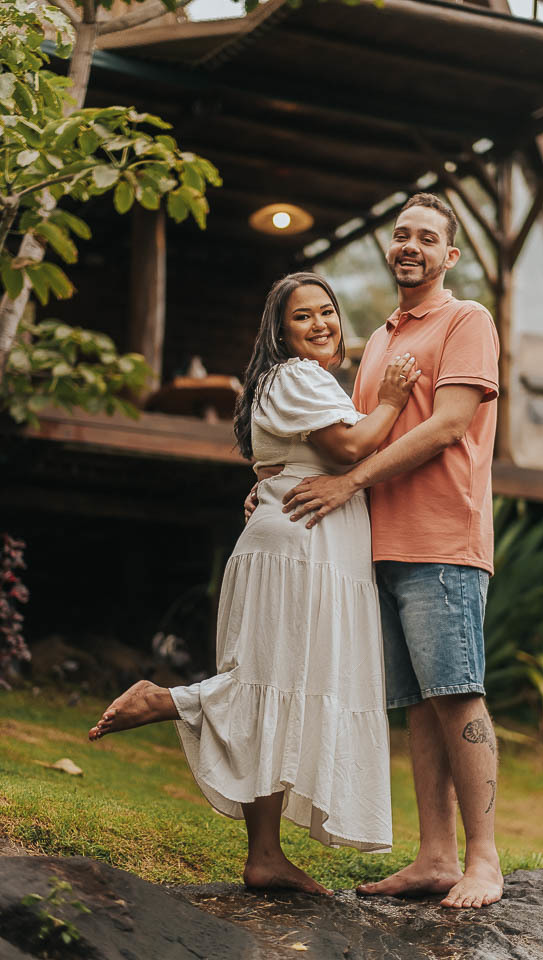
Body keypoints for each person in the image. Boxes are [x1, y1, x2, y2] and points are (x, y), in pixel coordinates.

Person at [88, 272, 420, 896]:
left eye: (327, 311)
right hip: (300, 550)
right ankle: (166, 701)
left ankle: (265, 856)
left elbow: (299, 459)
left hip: (311, 545)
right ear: (280, 332)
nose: (320, 323)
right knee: (269, 683)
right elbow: (349, 447)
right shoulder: (294, 376)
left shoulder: (302, 381)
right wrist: (393, 400)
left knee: (282, 687)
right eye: (303, 316)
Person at [275, 194, 503, 909]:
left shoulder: (467, 320)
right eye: (402, 234)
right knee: (418, 705)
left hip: (444, 541)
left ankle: (484, 860)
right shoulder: (376, 339)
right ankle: (435, 857)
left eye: (427, 237)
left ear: (449, 255)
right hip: (379, 545)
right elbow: (351, 436)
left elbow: (448, 425)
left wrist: (349, 484)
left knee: (456, 692)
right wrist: (270, 485)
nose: (410, 245)